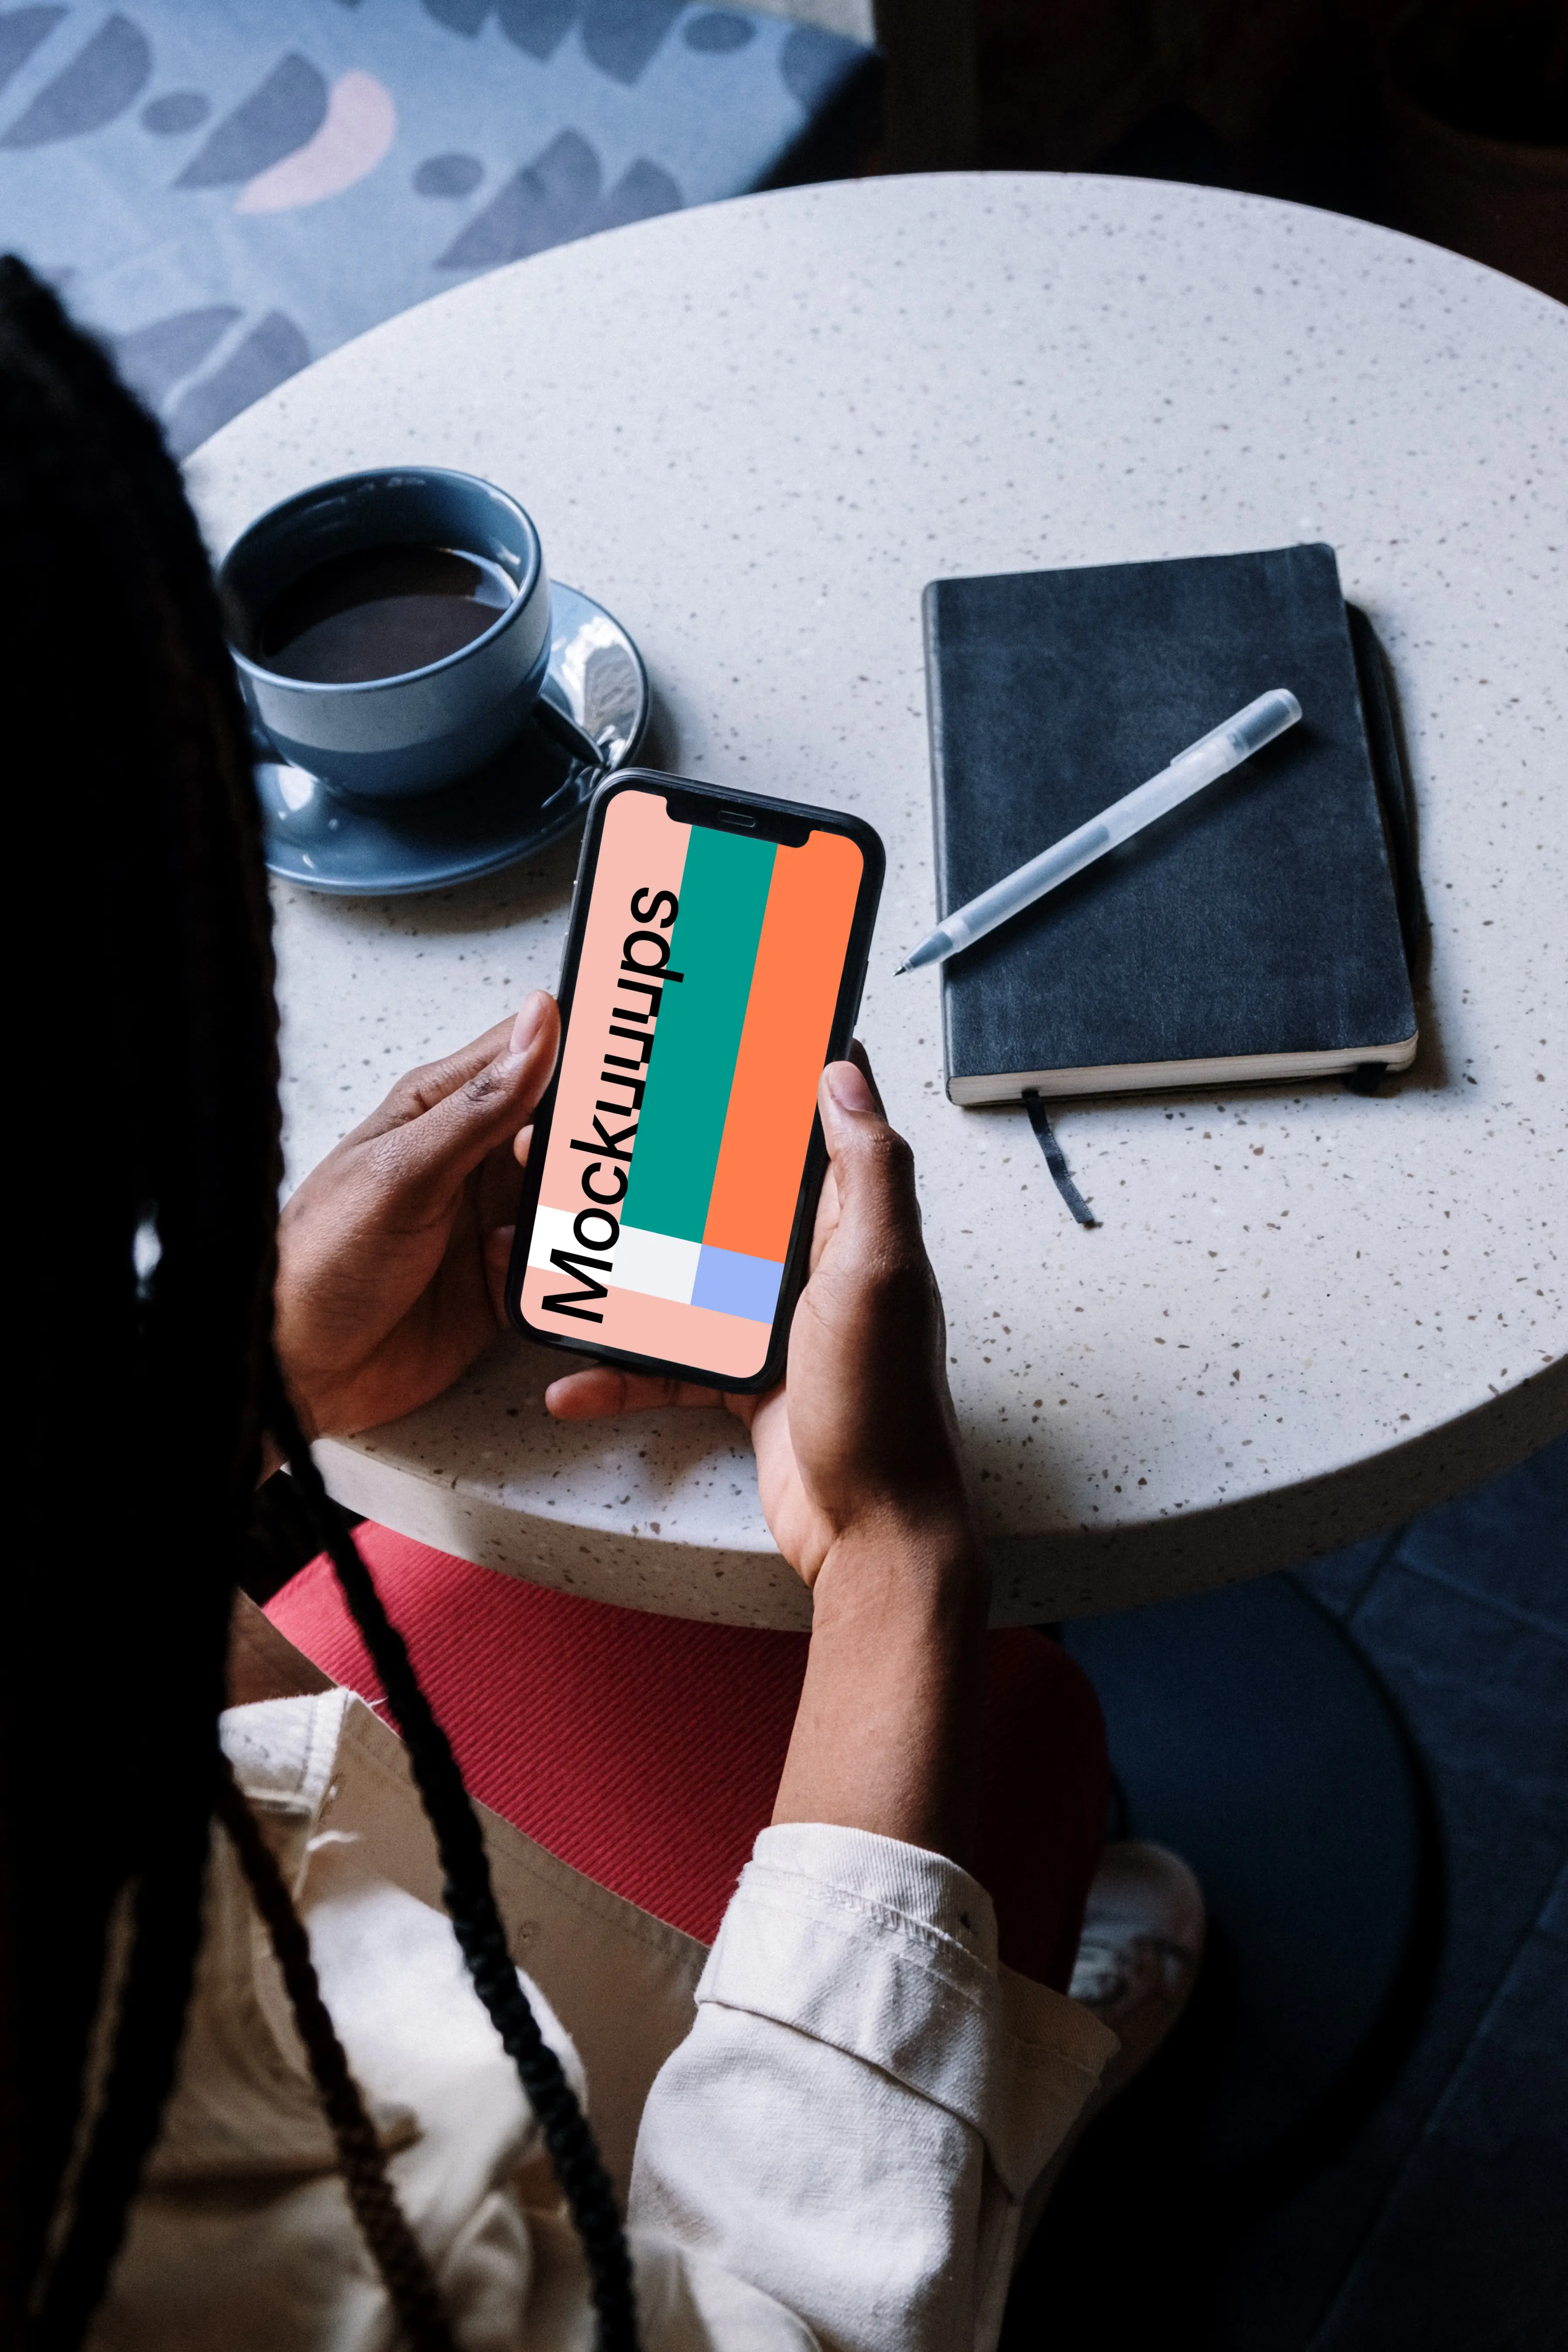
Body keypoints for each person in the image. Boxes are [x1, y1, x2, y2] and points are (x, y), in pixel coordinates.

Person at [5, 257, 1201, 2352]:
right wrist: (891, 1560)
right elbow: (776, 2324)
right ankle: (1001, 2079)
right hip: (561, 2176)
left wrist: (247, 1386)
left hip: (334, 1869)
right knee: (1005, 1729)